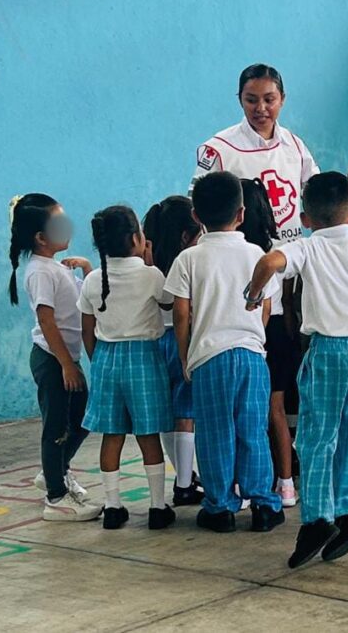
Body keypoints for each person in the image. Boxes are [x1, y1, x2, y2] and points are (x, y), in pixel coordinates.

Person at [245, 172, 348, 568]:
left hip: (328, 351)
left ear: (307, 217)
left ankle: (317, 520)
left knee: (317, 439)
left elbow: (270, 261)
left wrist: (253, 294)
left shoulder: (306, 247)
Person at [164, 172, 285, 534]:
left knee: (215, 434)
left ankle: (219, 507)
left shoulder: (189, 259)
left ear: (196, 216)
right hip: (251, 355)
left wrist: (186, 358)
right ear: (242, 213)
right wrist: (255, 336)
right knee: (252, 430)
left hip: (209, 359)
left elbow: (181, 313)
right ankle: (263, 503)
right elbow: (265, 304)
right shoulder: (256, 254)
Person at [78, 206, 176, 530]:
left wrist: (99, 360)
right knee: (149, 435)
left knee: (112, 434)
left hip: (106, 357)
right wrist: (150, 262)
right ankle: (157, 507)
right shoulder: (151, 275)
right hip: (144, 357)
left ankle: (113, 506)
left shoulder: (93, 280)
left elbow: (87, 328)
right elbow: (169, 303)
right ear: (137, 238)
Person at [9, 194, 100, 521]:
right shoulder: (39, 272)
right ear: (41, 238)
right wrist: (65, 364)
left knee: (83, 417)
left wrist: (88, 268)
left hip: (65, 358)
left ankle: (55, 471)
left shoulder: (57, 267)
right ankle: (56, 497)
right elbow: (47, 321)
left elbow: (77, 301)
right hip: (52, 359)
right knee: (57, 428)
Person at [191, 63, 319, 245]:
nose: (260, 108)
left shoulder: (294, 145)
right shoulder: (218, 149)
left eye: (269, 100)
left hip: (290, 259)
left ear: (282, 99)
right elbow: (197, 204)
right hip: (239, 260)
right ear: (240, 100)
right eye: (251, 100)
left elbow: (316, 193)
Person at [240, 178, 299, 508]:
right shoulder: (279, 248)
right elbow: (288, 300)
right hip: (278, 331)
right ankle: (286, 483)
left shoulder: (230, 249)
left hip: (244, 331)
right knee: (276, 410)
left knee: (248, 412)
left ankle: (248, 485)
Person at [143, 196, 205, 507]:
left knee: (169, 415)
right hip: (183, 340)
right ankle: (185, 483)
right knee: (188, 413)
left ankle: (184, 476)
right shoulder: (190, 262)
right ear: (186, 235)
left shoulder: (148, 264)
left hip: (153, 343)